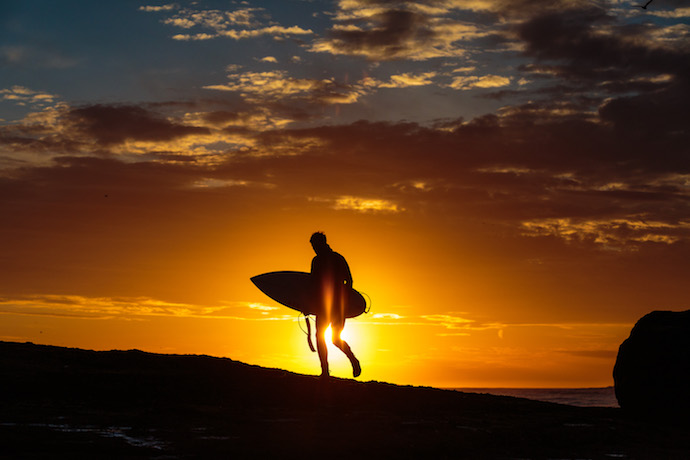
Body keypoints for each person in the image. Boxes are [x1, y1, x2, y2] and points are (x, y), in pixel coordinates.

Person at [309, 231, 361, 379]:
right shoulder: (316, 261)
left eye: (315, 245)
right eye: (312, 246)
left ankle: (353, 359)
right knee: (320, 336)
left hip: (338, 305)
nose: (314, 248)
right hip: (322, 306)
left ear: (322, 243)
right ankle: (325, 371)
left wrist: (345, 301)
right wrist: (307, 305)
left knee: (335, 339)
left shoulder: (337, 258)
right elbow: (313, 285)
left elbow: (349, 281)